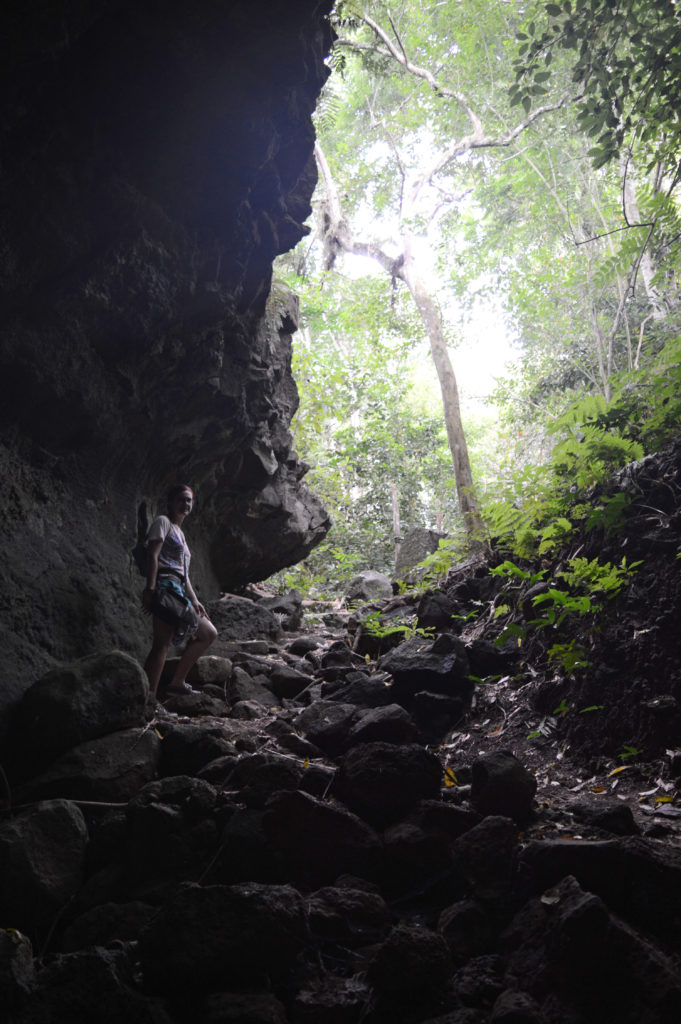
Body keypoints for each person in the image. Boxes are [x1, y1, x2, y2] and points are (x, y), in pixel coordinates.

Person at [141, 484, 217, 699]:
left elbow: (184, 574)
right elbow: (152, 556)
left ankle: (177, 682)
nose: (186, 504)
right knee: (161, 645)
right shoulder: (163, 522)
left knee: (208, 633)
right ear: (170, 503)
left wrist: (194, 601)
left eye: (189, 501)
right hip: (165, 588)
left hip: (180, 591)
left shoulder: (181, 534)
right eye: (181, 500)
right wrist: (150, 590)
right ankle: (149, 698)